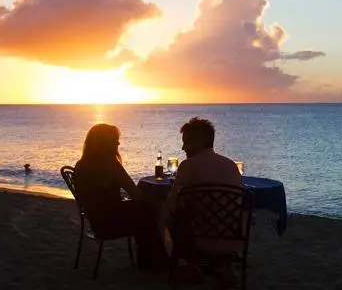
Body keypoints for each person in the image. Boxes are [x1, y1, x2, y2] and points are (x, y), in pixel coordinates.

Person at [73, 123, 169, 271]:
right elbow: (135, 193)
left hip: (96, 221)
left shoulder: (81, 164)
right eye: (114, 139)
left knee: (144, 211)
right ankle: (156, 262)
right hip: (109, 222)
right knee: (148, 210)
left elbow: (96, 195)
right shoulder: (110, 164)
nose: (118, 143)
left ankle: (150, 261)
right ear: (105, 143)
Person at [166, 117, 243, 287]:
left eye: (186, 142)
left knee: (171, 216)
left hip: (200, 238)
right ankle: (226, 266)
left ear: (199, 141)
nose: (183, 148)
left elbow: (172, 204)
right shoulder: (230, 165)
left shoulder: (189, 165)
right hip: (233, 238)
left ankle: (193, 266)